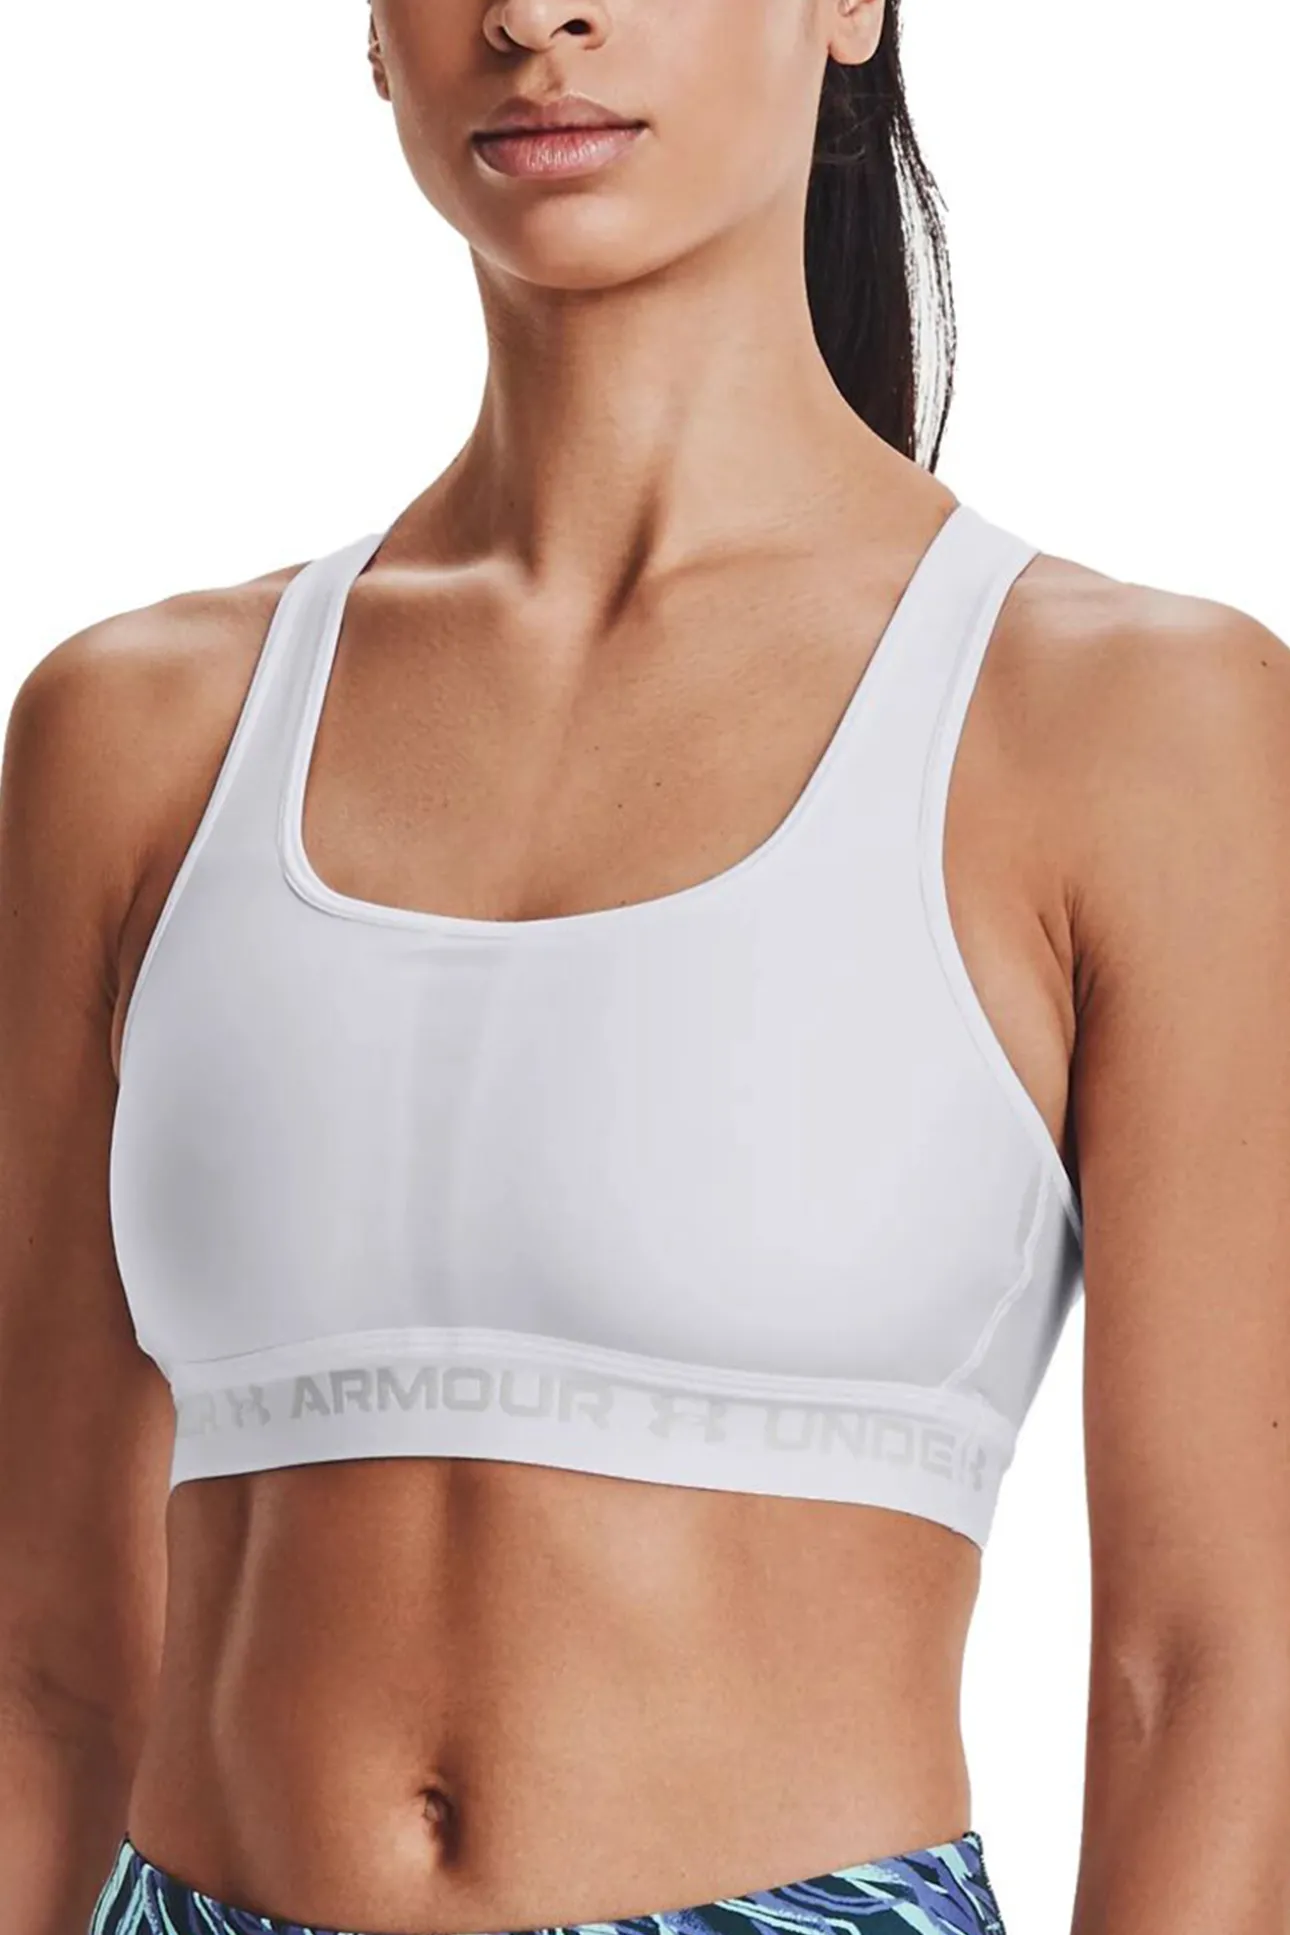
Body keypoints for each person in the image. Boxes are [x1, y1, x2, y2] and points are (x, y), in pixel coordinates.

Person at [2, 3, 1288, 1932]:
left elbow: (1210, 1670)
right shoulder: (136, 729)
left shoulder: (1130, 724)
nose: (536, 18)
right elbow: (39, 1667)